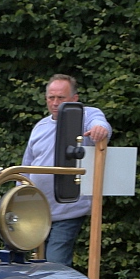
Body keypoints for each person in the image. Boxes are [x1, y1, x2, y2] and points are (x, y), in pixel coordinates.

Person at [20, 73, 112, 267]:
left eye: (60, 98)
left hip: (67, 210)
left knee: (55, 264)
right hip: (36, 212)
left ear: (74, 99)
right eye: (51, 98)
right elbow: (26, 166)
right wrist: (17, 198)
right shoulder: (40, 126)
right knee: (32, 265)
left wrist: (99, 130)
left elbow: (100, 124)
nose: (55, 103)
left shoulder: (84, 116)